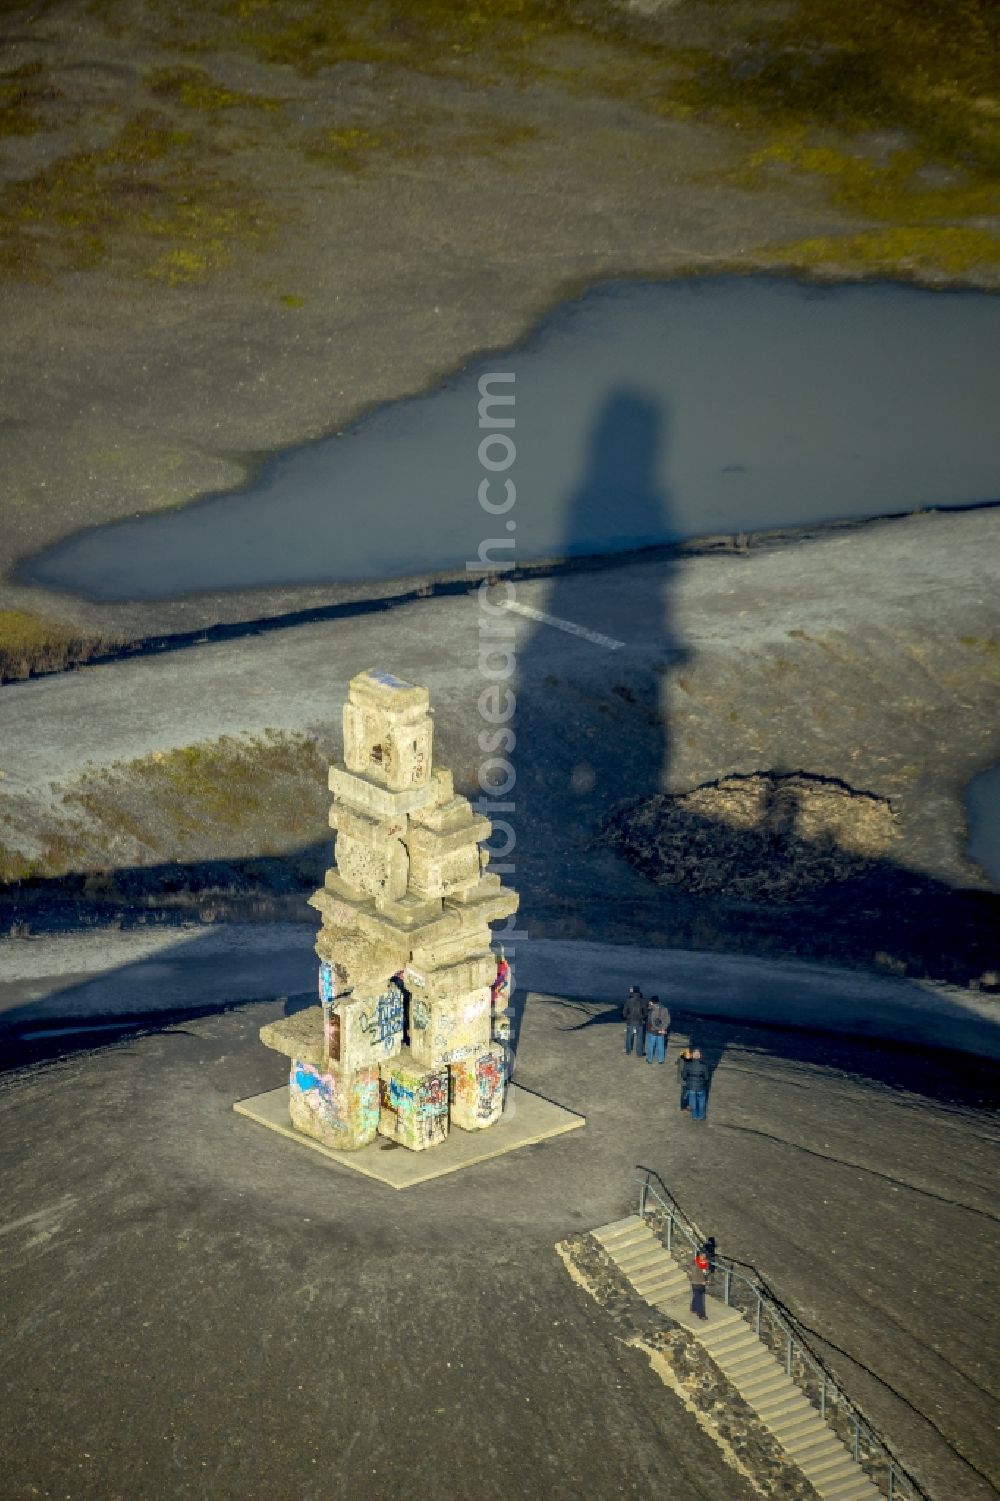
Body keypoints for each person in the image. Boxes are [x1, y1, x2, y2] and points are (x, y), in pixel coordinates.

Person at [681, 1047, 710, 1120]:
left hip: (691, 1086)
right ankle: (701, 1116)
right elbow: (707, 1077)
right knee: (702, 1102)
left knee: (692, 1102)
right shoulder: (704, 1065)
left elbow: (684, 1076)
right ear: (700, 1056)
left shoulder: (688, 1065)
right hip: (701, 1086)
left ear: (693, 1056)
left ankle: (694, 1116)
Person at [644, 995, 671, 1064]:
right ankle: (661, 1060)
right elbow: (667, 1021)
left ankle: (650, 1060)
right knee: (661, 1045)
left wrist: (656, 1028)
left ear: (652, 1002)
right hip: (661, 1030)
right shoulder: (665, 1009)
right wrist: (663, 1028)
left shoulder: (651, 1010)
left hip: (652, 1031)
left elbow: (651, 1021)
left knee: (651, 1045)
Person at [622, 985, 646, 1057]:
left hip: (630, 1022)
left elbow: (624, 1013)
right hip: (639, 1022)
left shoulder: (628, 1001)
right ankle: (639, 1053)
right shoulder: (643, 1001)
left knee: (629, 1037)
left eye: (631, 990)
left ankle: (628, 1051)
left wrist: (628, 1017)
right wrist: (641, 1017)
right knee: (640, 1038)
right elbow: (645, 1013)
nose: (630, 991)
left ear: (633, 991)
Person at [689, 1250, 709, 1320]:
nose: (704, 1257)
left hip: (702, 1283)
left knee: (697, 1297)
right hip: (696, 1283)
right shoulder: (695, 1263)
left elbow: (705, 1272)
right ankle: (701, 1315)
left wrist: (706, 1280)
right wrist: (702, 1281)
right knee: (699, 1299)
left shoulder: (705, 1262)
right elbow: (694, 1274)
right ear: (699, 1256)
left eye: (704, 1256)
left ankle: (693, 1308)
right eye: (702, 1256)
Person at [676, 1046, 694, 1111]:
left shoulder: (682, 1056)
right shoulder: (686, 1062)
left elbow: (677, 1062)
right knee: (685, 1093)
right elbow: (684, 1072)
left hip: (682, 1079)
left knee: (684, 1093)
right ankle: (684, 1106)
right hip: (684, 1080)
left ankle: (684, 1106)